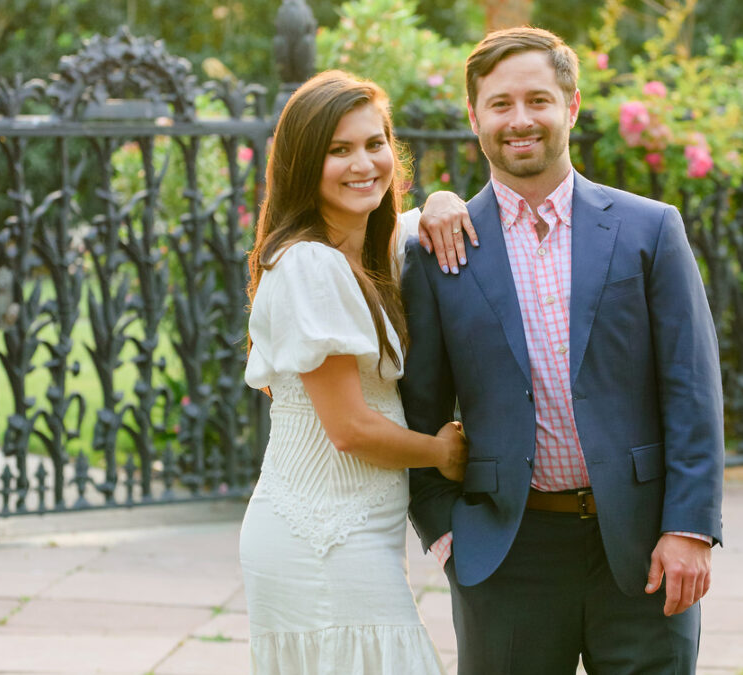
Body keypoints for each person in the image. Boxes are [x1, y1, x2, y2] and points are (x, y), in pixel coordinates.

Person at [401, 27, 725, 674]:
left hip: (642, 549)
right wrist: (447, 539)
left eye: (538, 100)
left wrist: (690, 526)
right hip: (506, 552)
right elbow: (419, 411)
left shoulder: (649, 229)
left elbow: (691, 386)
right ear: (474, 116)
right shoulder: (439, 252)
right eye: (500, 104)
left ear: (570, 107)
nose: (520, 119)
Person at [239, 70, 470, 675]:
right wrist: (441, 452)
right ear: (302, 164)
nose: (363, 163)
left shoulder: (365, 253)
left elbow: (420, 223)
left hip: (357, 531)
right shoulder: (310, 264)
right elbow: (350, 429)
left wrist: (445, 202)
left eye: (374, 144)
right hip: (318, 538)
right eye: (338, 150)